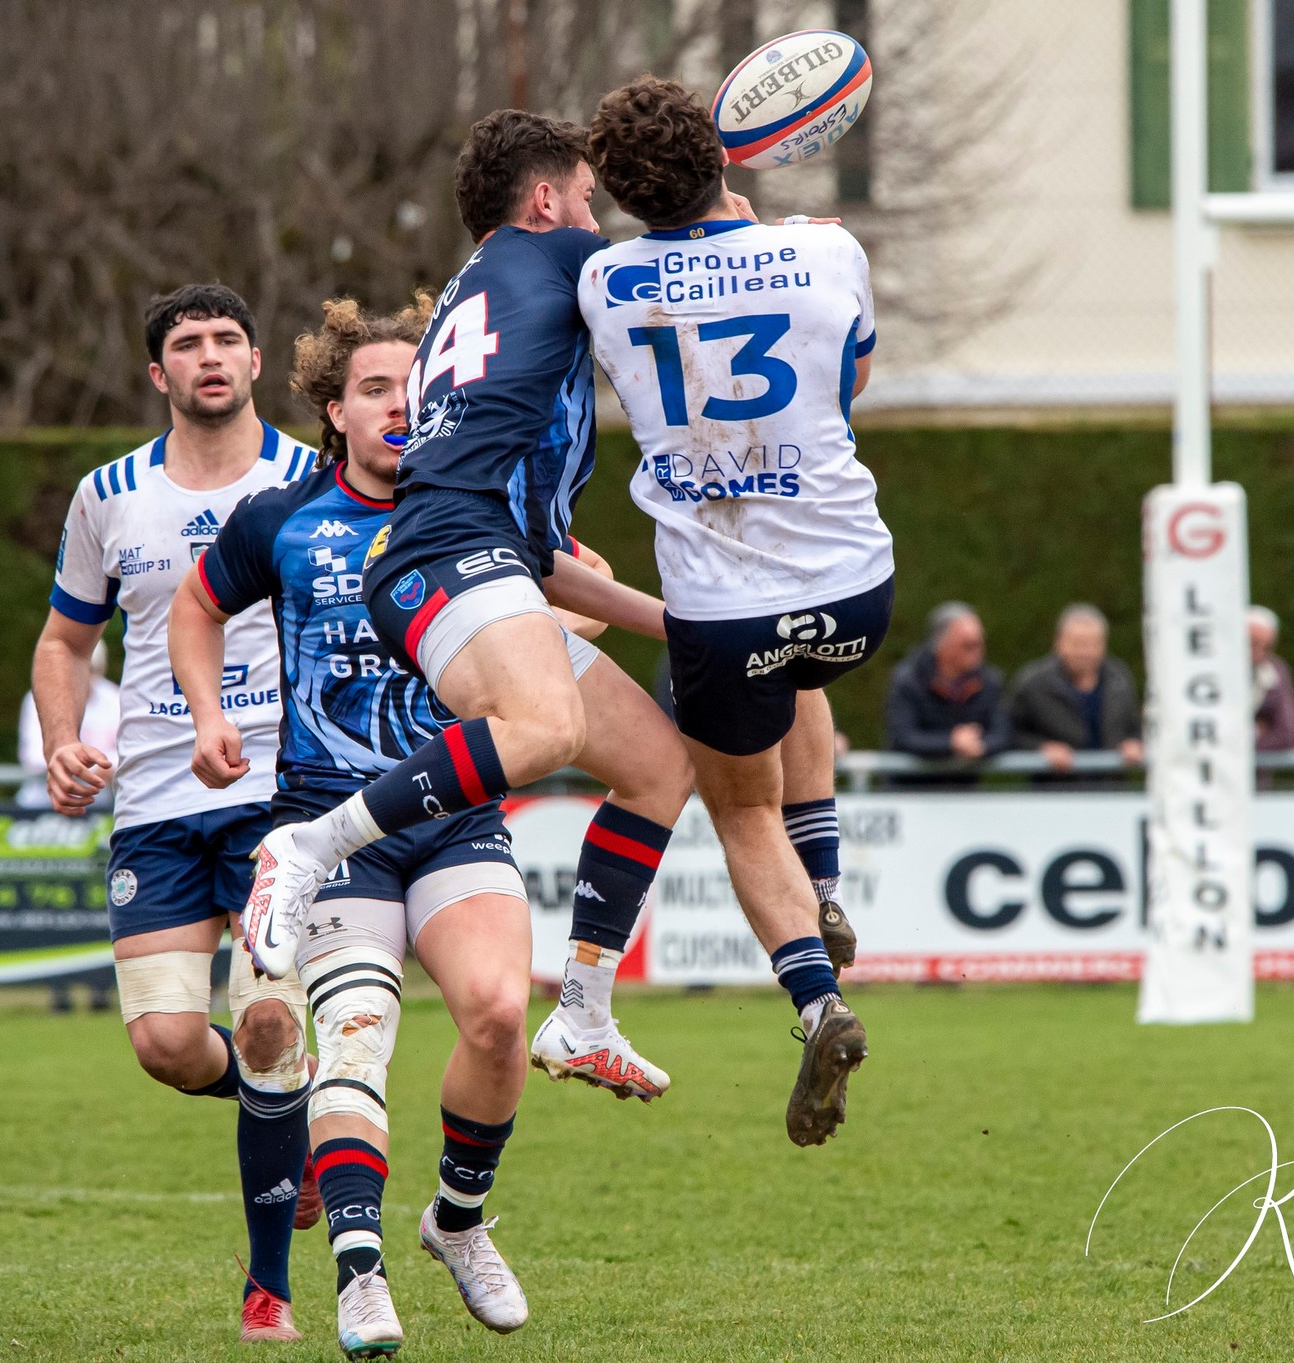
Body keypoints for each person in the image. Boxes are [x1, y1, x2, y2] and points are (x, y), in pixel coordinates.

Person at [238, 111, 695, 1112]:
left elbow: (536, 560)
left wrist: (679, 622)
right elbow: (682, 265)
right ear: (544, 203)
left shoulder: (478, 294)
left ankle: (580, 1012)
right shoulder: (562, 254)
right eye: (583, 194)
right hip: (447, 557)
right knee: (543, 727)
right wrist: (749, 236)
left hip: (471, 558)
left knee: (660, 764)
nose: (593, 213)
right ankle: (309, 846)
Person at [170, 293, 574, 1355]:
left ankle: (458, 1217)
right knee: (353, 1041)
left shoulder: (475, 512)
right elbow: (193, 606)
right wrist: (210, 713)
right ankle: (358, 1271)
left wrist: (608, 610)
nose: (401, 404)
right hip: (326, 824)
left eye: (419, 388)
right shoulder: (282, 520)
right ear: (333, 411)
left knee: (495, 1014)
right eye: (376, 389)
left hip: (453, 820)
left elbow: (565, 588)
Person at [578, 76, 897, 1146]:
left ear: (619, 194)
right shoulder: (826, 250)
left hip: (718, 609)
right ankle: (830, 882)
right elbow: (843, 387)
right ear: (724, 158)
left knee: (739, 808)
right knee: (803, 673)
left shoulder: (606, 279)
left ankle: (817, 998)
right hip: (853, 584)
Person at [29, 283, 321, 1344]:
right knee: (163, 1043)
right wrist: (67, 740)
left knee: (267, 1019)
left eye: (227, 340)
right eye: (187, 345)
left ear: (253, 362)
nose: (209, 357)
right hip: (152, 802)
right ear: (158, 374)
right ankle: (286, 1108)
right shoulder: (108, 494)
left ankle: (268, 1291)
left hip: (279, 799)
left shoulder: (312, 479)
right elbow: (64, 643)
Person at [1006, 603, 1144, 774]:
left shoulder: (1119, 679)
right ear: (1058, 642)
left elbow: (1136, 727)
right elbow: (1009, 732)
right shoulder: (1034, 683)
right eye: (1078, 643)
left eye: (1094, 643)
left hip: (1111, 791)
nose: (1086, 652)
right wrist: (1041, 748)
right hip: (1056, 791)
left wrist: (1134, 743)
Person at [883, 603, 1011, 779]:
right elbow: (903, 737)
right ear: (942, 644)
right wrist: (951, 742)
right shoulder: (908, 680)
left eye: (979, 643)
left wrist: (981, 746)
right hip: (911, 793)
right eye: (968, 645)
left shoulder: (990, 681)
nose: (977, 652)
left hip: (964, 794)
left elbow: (1003, 733)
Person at [16, 640, 118, 809]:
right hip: (41, 805)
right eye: (76, 667)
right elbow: (33, 757)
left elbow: (128, 749)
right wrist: (97, 767)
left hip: (98, 808)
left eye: (90, 668)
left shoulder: (114, 698)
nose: (83, 674)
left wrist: (69, 762)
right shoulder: (38, 698)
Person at [1250, 605, 1294, 752]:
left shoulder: (1276, 670)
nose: (1258, 653)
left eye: (1266, 647)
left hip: (1258, 773)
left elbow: (1287, 734)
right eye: (1252, 643)